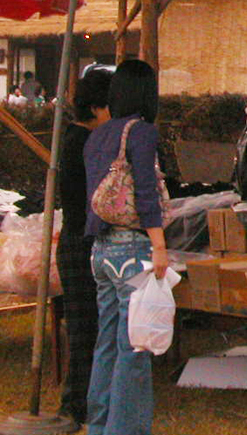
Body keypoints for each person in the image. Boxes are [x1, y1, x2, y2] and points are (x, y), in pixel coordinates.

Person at [84, 60, 168, 435]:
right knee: (134, 349)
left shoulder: (97, 135)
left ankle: (99, 425)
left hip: (100, 251)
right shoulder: (143, 132)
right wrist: (160, 245)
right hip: (132, 250)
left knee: (106, 343)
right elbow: (146, 193)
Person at [55, 67, 112, 426]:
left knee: (87, 328)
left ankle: (84, 400)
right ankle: (75, 405)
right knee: (85, 330)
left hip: (77, 241)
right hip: (81, 242)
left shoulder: (77, 139)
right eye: (111, 108)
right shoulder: (84, 143)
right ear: (95, 108)